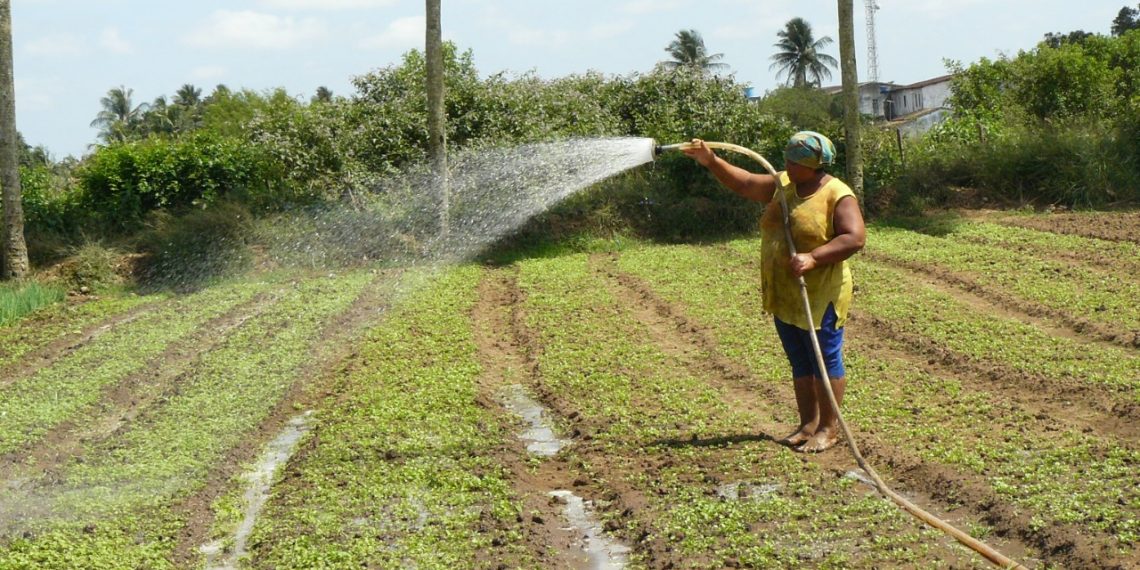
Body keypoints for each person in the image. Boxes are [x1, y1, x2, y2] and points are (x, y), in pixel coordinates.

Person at [682, 132, 865, 452]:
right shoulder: (783, 184)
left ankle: (828, 427)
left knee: (824, 358)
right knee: (800, 360)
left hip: (819, 293)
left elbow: (854, 238)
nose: (787, 165)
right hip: (785, 292)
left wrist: (813, 257)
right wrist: (711, 161)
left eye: (795, 162)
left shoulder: (837, 193)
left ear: (814, 165)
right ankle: (807, 424)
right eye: (787, 159)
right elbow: (746, 184)